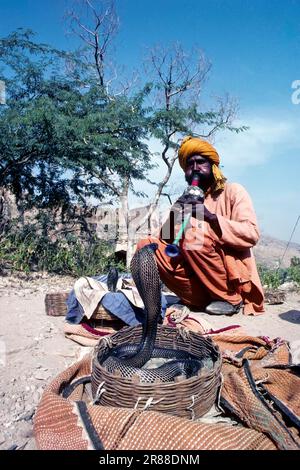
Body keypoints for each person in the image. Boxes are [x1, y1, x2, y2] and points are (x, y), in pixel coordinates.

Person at [137, 135, 264, 315]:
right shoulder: (187, 199)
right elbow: (163, 241)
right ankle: (198, 298)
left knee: (193, 236)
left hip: (229, 280)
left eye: (201, 162)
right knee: (146, 246)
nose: (195, 168)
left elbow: (251, 234)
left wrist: (211, 217)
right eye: (190, 164)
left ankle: (231, 299)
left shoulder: (233, 191)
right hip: (198, 285)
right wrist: (175, 213)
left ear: (213, 166)